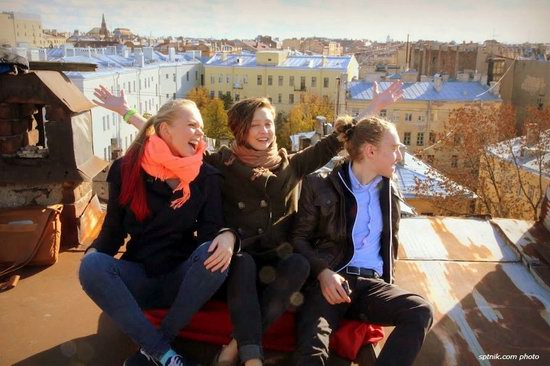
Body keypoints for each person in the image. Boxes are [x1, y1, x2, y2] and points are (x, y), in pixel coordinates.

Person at [92, 82, 403, 366]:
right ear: (241, 130)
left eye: (268, 123)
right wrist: (125, 111)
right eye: (255, 125)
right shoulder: (222, 164)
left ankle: (234, 346)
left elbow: (336, 140)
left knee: (298, 264)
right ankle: (252, 358)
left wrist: (373, 108)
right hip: (238, 263)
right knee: (242, 265)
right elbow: (172, 139)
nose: (264, 131)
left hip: (278, 264)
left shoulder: (291, 165)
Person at [79, 99, 238, 366]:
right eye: (192, 125)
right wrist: (94, 254)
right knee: (92, 265)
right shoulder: (126, 169)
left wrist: (228, 236)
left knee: (216, 254)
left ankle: (155, 351)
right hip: (138, 277)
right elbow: (113, 230)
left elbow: (210, 232)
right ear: (165, 131)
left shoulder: (205, 176)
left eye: (201, 127)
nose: (200, 133)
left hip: (182, 282)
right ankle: (165, 354)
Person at [291, 116, 433, 366]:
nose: (399, 156)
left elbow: (390, 246)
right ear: (370, 151)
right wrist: (323, 273)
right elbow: (298, 239)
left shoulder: (390, 191)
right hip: (329, 285)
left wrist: (387, 284)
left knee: (420, 310)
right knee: (312, 351)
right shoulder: (319, 185)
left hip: (371, 287)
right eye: (394, 148)